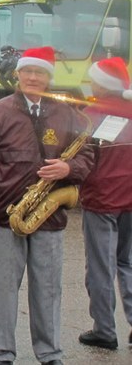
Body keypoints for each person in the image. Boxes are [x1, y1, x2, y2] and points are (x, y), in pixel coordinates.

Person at [0, 46, 94, 365]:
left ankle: (49, 353)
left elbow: (87, 154)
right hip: (7, 215)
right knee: (4, 290)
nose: (33, 77)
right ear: (18, 75)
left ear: (48, 77)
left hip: (50, 215)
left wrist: (68, 169)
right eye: (28, 72)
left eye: (40, 73)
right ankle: (3, 352)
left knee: (48, 289)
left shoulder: (68, 113)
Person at [77, 57, 132, 350]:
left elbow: (83, 160)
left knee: (101, 267)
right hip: (130, 200)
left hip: (102, 200)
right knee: (127, 263)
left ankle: (104, 329)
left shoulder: (91, 115)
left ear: (103, 83)